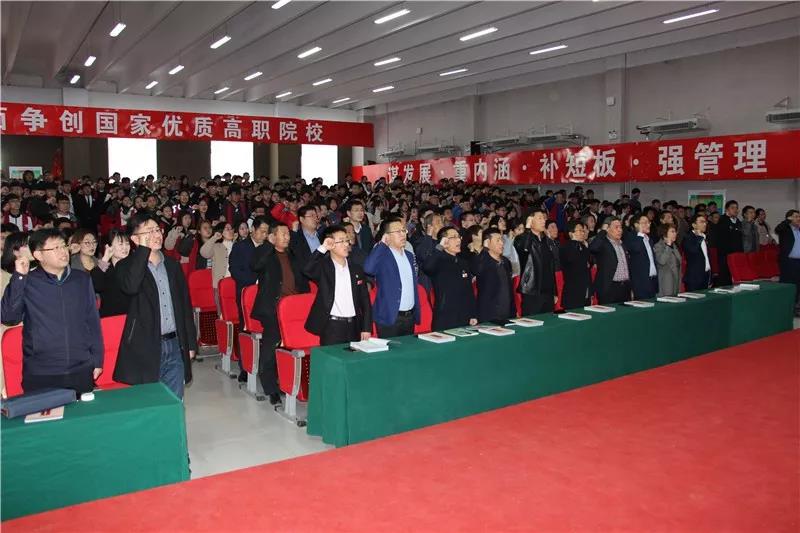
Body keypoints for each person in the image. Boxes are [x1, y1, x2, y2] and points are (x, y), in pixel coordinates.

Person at [1, 228, 103, 394]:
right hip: (42, 372)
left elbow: (92, 320)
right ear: (38, 255)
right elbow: (8, 317)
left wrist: (97, 359)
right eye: (55, 248)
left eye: (63, 246)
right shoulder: (28, 281)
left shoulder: (81, 279)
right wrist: (19, 277)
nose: (63, 252)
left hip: (80, 368)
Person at [114, 213, 197, 399]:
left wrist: (190, 343)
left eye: (157, 230)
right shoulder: (125, 266)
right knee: (150, 402)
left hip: (175, 344)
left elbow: (185, 306)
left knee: (174, 402)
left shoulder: (172, 265)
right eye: (149, 231)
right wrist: (143, 250)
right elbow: (131, 286)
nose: (156, 235)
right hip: (146, 346)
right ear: (135, 239)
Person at [250, 221, 309, 404]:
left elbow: (303, 278)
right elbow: (256, 266)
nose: (287, 237)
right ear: (272, 237)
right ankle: (270, 387)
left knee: (292, 347)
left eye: (288, 234)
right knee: (271, 346)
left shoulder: (293, 254)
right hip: (273, 308)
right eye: (283, 234)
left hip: (293, 309)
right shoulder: (265, 253)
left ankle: (288, 382)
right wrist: (269, 246)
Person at [303, 225, 372, 345]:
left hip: (354, 325)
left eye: (347, 240)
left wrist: (366, 327)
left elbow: (365, 301)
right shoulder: (324, 267)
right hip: (332, 326)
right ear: (331, 244)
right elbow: (307, 269)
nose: (346, 244)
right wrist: (323, 248)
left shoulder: (356, 269)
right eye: (341, 241)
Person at [363, 216, 420, 338]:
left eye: (403, 230)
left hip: (409, 316)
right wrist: (382, 244)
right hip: (389, 316)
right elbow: (368, 268)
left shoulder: (409, 255)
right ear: (387, 236)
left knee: (407, 349)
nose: (403, 234)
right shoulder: (383, 254)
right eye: (398, 231)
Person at [228, 216, 269, 380]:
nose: (264, 235)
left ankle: (264, 367)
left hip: (265, 294)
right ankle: (245, 367)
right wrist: (254, 282)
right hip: (246, 293)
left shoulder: (268, 247)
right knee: (246, 329)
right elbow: (234, 270)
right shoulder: (240, 247)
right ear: (253, 230)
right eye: (262, 231)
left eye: (267, 232)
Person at [421, 227, 478, 331]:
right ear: (444, 241)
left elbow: (469, 291)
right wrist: (440, 247)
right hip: (445, 317)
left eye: (459, 237)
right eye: (453, 237)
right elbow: (427, 267)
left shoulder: (463, 262)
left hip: (464, 316)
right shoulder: (438, 261)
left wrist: (473, 314)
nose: (458, 240)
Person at [514, 211, 557, 315]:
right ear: (530, 221)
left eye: (544, 218)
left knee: (549, 321)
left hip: (547, 292)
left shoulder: (546, 240)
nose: (543, 221)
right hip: (531, 290)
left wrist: (554, 291)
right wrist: (528, 229)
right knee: (532, 320)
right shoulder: (522, 238)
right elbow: (524, 248)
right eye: (540, 218)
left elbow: (551, 267)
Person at [472, 227, 516, 323]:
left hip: (507, 311)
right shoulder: (482, 261)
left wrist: (514, 310)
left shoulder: (506, 261)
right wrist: (484, 249)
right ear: (488, 243)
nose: (502, 243)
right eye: (498, 240)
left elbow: (509, 287)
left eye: (502, 240)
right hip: (489, 313)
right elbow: (476, 269)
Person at [90, 228, 132, 317]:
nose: (125, 247)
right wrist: (105, 259)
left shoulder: (134, 266)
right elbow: (96, 286)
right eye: (120, 244)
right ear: (109, 246)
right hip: (110, 317)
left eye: (127, 243)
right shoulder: (104, 267)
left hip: (132, 316)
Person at [589, 216, 631, 304]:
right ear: (607, 228)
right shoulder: (603, 243)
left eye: (621, 227)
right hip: (609, 288)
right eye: (616, 227)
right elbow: (593, 248)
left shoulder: (623, 244)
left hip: (625, 287)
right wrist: (603, 231)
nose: (620, 230)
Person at [200, 222, 236, 308]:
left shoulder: (238, 245)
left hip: (235, 283)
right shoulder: (217, 246)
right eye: (227, 229)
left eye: (231, 229)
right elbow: (204, 253)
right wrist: (214, 238)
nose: (230, 231)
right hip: (220, 285)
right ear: (221, 232)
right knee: (222, 312)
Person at [623, 214, 658, 299]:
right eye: (645, 222)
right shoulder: (630, 237)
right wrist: (640, 233)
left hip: (651, 280)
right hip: (640, 281)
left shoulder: (649, 239)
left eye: (649, 222)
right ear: (636, 224)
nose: (648, 225)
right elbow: (636, 248)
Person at [559, 220, 592, 310]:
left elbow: (588, 266)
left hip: (585, 289)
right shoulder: (565, 247)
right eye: (579, 230)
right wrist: (574, 242)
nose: (582, 233)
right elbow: (572, 259)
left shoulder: (584, 247)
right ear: (571, 233)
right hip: (573, 292)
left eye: (583, 230)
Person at [775, 209, 800, 317]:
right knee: (788, 285)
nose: (798, 218)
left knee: (798, 286)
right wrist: (786, 221)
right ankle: (784, 308)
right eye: (796, 216)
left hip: (799, 261)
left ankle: (795, 308)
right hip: (788, 262)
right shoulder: (785, 229)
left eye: (799, 216)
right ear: (789, 218)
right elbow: (777, 229)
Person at [682, 214, 712, 292]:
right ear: (694, 225)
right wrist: (699, 237)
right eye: (701, 222)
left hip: (705, 275)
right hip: (694, 277)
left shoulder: (704, 237)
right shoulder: (688, 237)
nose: (705, 224)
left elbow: (707, 257)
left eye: (705, 222)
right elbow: (693, 250)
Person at [715, 200, 742, 286]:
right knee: (725, 277)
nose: (735, 210)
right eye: (732, 208)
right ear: (727, 210)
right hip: (725, 254)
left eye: (736, 208)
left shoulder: (738, 221)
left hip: (736, 253)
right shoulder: (722, 220)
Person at [653, 224, 682, 297]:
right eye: (672, 231)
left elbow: (679, 262)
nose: (675, 234)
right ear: (665, 233)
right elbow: (662, 261)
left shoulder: (674, 246)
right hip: (665, 283)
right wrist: (668, 246)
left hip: (676, 280)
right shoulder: (658, 246)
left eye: (675, 232)